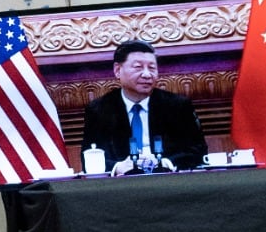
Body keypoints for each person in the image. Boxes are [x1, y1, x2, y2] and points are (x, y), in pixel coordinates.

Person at [80, 40, 207, 173]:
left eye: (152, 68)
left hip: (169, 181)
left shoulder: (178, 106)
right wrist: (118, 167)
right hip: (121, 186)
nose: (147, 74)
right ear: (118, 70)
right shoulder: (99, 110)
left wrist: (166, 163)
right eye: (138, 67)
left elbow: (198, 150)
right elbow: (89, 157)